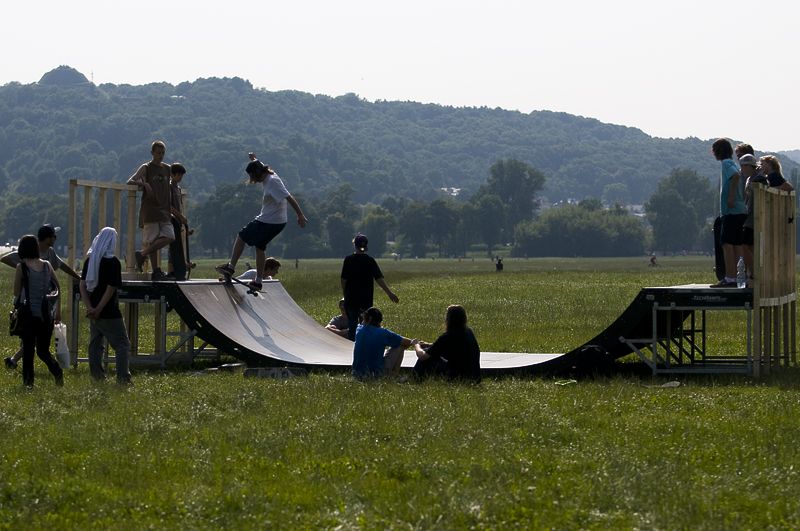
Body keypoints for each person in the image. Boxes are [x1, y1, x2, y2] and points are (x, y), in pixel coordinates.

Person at [215, 155, 307, 291]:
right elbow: (259, 165)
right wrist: (254, 159)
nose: (253, 181)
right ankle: (258, 281)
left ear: (257, 173)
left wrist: (300, 215)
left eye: (253, 177)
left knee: (241, 236)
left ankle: (230, 267)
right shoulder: (269, 173)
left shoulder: (272, 181)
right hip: (277, 222)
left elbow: (289, 197)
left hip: (269, 221)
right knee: (260, 247)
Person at [2, 224, 81, 370]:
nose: (55, 239)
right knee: (34, 340)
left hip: (45, 299)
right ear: (48, 238)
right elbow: (5, 259)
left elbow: (61, 265)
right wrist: (25, 271)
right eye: (54, 237)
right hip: (29, 300)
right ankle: (19, 363)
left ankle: (14, 362)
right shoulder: (30, 250)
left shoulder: (49, 253)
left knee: (34, 339)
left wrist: (77, 276)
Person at [79, 227, 132, 384]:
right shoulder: (113, 262)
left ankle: (97, 376)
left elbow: (83, 285)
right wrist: (99, 309)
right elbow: (110, 289)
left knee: (95, 344)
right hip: (108, 310)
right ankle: (123, 378)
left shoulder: (90, 260)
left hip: (93, 309)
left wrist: (90, 307)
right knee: (122, 344)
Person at [13, 234, 63, 388]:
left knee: (28, 351)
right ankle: (57, 371)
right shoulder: (47, 265)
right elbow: (57, 288)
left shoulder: (21, 267)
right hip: (45, 315)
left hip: (28, 315)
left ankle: (28, 384)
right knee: (43, 351)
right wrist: (57, 311)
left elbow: (16, 292)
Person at [126, 140, 174, 281]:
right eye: (158, 153)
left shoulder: (167, 168)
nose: (161, 156)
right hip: (151, 209)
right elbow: (130, 181)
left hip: (164, 209)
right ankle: (156, 271)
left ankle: (142, 254)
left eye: (163, 153)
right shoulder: (146, 167)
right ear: (152, 153)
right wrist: (144, 184)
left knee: (170, 236)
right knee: (152, 239)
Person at [341, 233, 399, 341]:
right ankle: (365, 345)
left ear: (355, 245)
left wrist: (345, 293)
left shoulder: (348, 260)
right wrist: (389, 293)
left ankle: (351, 350)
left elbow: (343, 280)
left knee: (352, 327)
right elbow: (379, 279)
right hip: (365, 300)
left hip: (351, 299)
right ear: (366, 246)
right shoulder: (370, 261)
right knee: (366, 325)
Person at [412, 304, 481, 383]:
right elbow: (447, 347)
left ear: (449, 319)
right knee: (428, 350)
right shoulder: (468, 332)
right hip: (474, 376)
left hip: (458, 377)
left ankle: (414, 379)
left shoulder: (447, 336)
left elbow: (423, 356)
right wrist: (429, 345)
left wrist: (416, 345)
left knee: (426, 356)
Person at [711, 138, 747, 288]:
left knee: (726, 244)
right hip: (740, 211)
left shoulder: (726, 164)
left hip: (731, 211)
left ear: (717, 151)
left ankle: (730, 277)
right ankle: (740, 276)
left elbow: (735, 176)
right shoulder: (733, 163)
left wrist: (731, 197)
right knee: (737, 244)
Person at [352, 306, 415, 379]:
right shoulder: (382, 333)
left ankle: (391, 376)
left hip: (356, 374)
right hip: (375, 374)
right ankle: (393, 376)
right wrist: (421, 344)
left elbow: (364, 324)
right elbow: (408, 342)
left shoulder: (359, 329)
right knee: (400, 346)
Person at [167, 162, 189, 281]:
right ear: (173, 175)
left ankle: (177, 269)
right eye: (179, 175)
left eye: (181, 176)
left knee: (176, 246)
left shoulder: (178, 188)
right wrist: (180, 216)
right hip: (172, 219)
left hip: (178, 220)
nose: (180, 178)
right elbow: (170, 206)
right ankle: (171, 271)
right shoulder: (169, 187)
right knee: (173, 246)